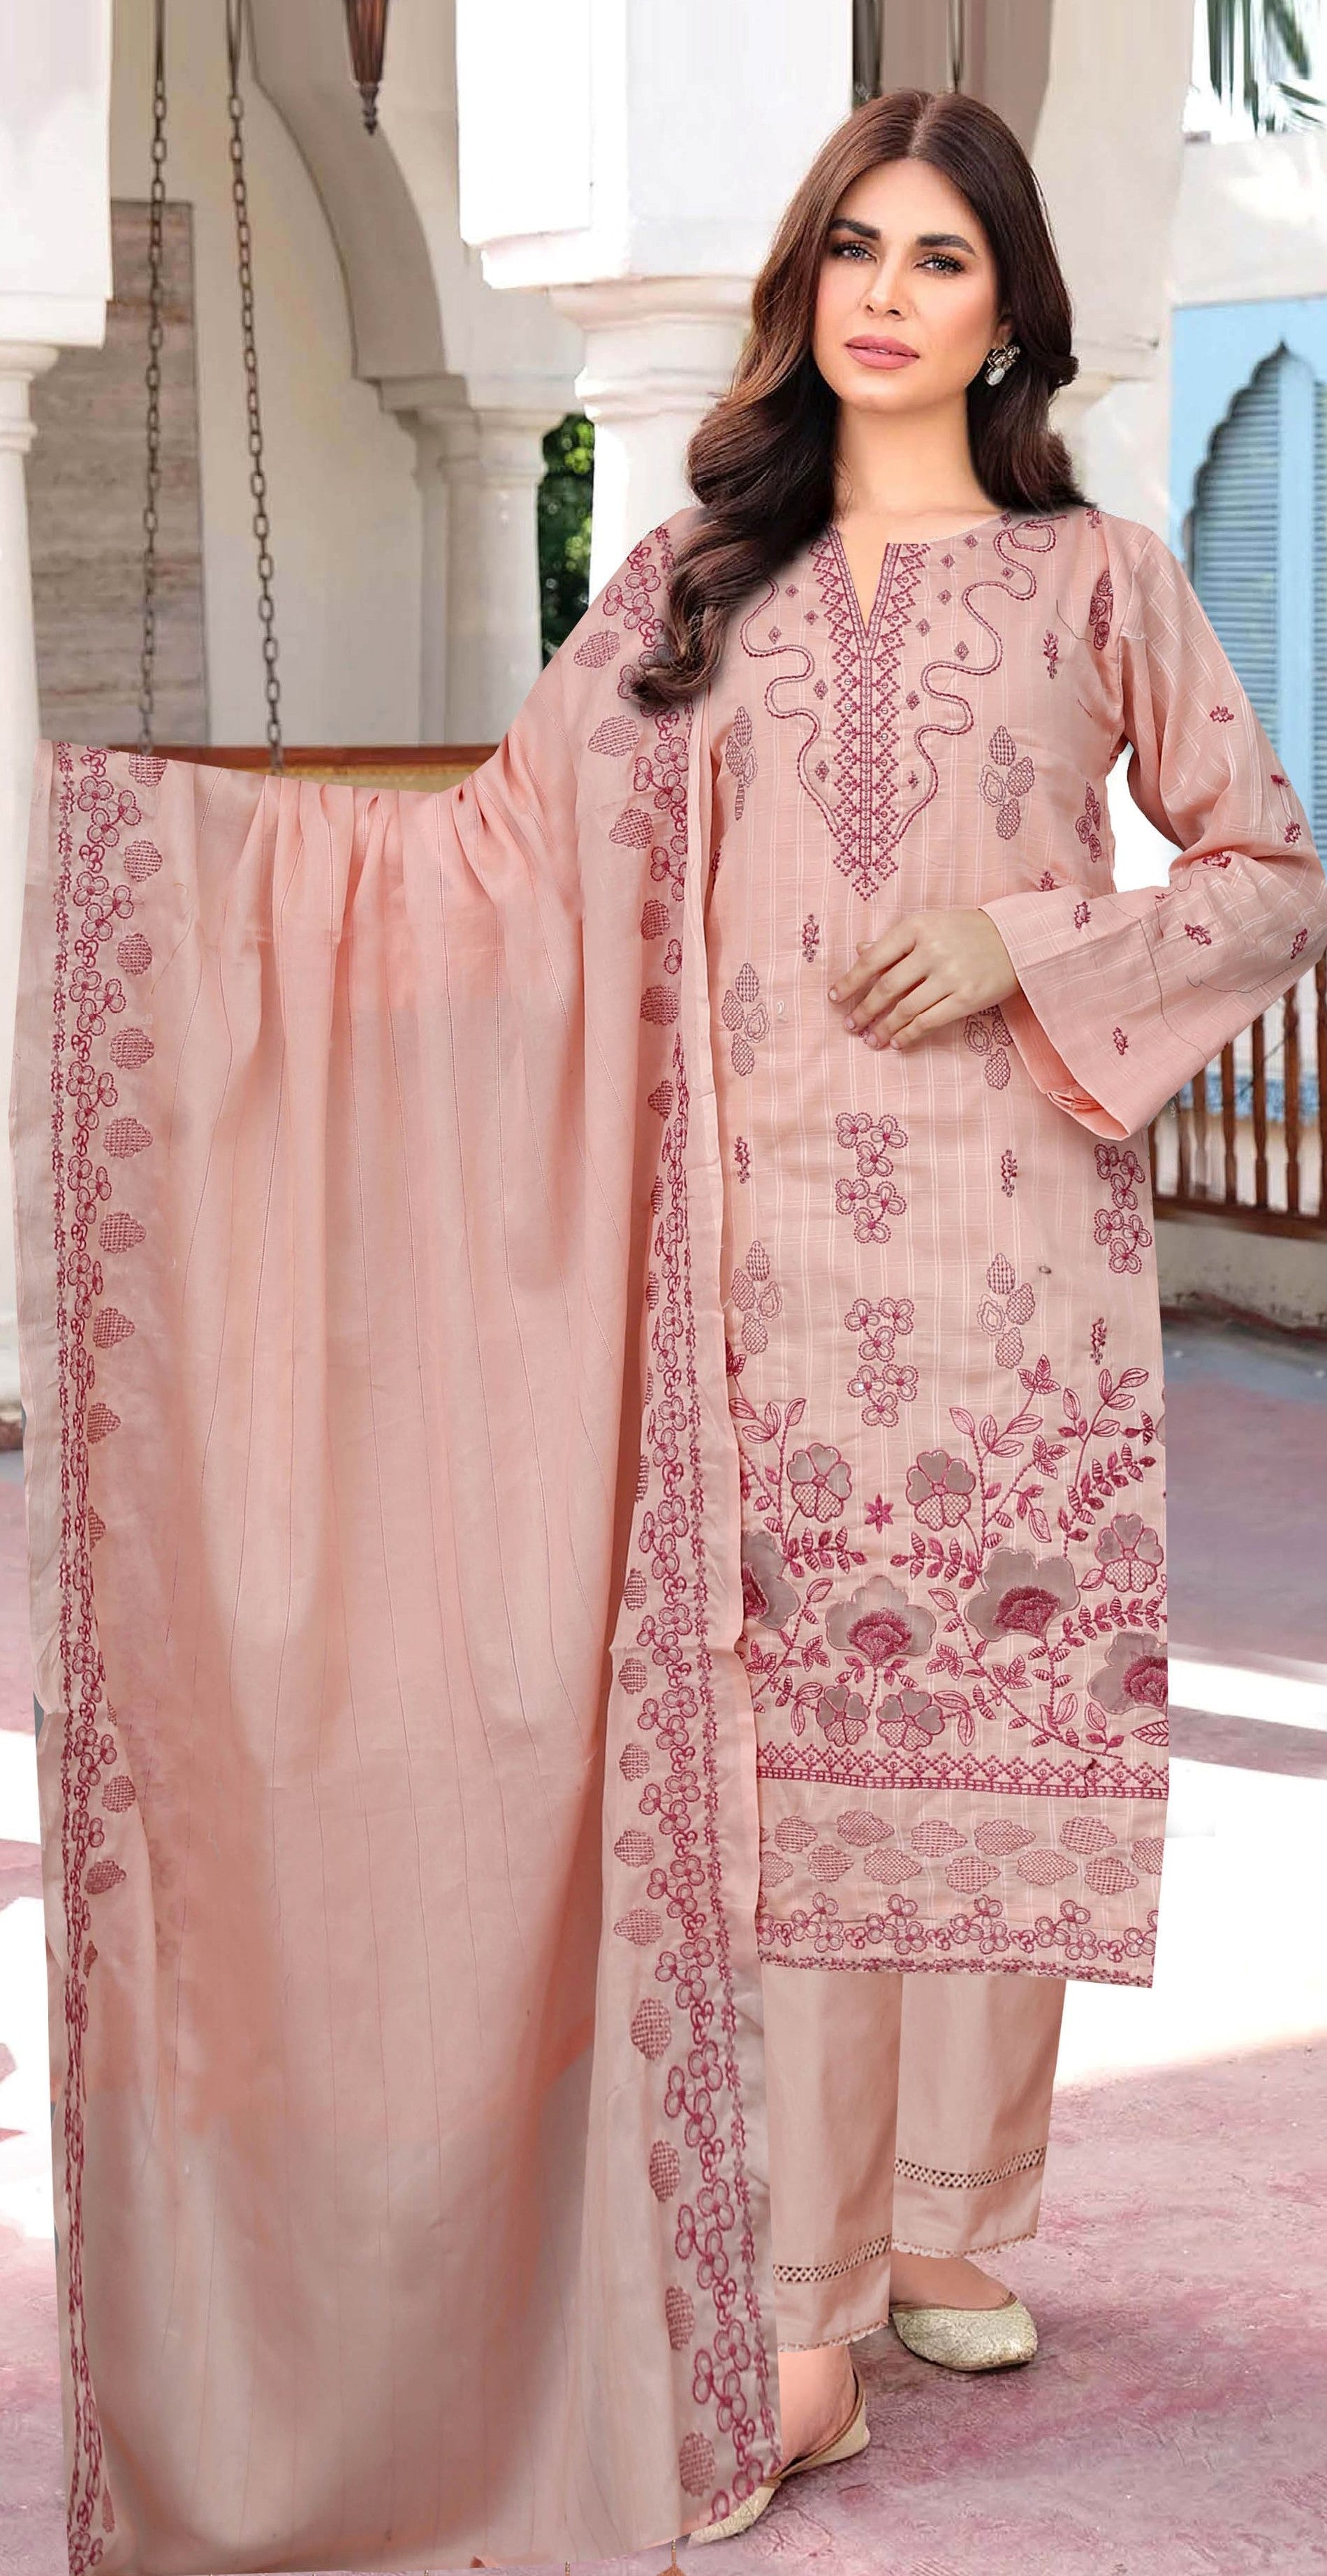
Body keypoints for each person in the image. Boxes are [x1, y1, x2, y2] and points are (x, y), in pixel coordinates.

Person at [15, 88, 1327, 2575]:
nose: (883, 294)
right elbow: (486, 866)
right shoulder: (688, 586)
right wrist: (202, 880)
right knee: (784, 1782)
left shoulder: (1097, 581)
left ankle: (951, 2216)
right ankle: (801, 2287)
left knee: (972, 1757)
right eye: (851, 247)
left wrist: (1033, 946)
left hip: (1007, 1270)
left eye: (939, 259)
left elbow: (1270, 878)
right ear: (800, 284)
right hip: (737, 1275)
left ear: (1010, 309)